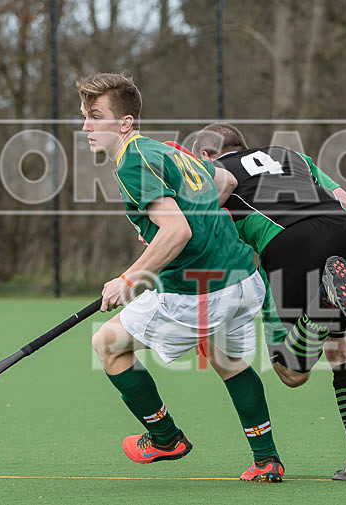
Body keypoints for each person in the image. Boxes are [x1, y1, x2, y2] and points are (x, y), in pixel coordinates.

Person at [78, 73, 283, 482]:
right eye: (84, 116)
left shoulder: (133, 161)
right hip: (243, 278)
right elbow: (224, 180)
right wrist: (189, 219)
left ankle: (164, 438)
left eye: (95, 115)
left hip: (200, 288)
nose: (85, 126)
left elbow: (177, 231)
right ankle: (267, 459)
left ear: (125, 123)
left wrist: (129, 278)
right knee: (227, 360)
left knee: (108, 344)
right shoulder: (168, 150)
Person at [192, 123, 346, 483]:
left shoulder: (214, 173)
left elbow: (207, 237)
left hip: (285, 242)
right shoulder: (294, 157)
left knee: (292, 373)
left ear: (205, 156)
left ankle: (318, 310)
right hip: (340, 231)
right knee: (342, 350)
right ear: (241, 145)